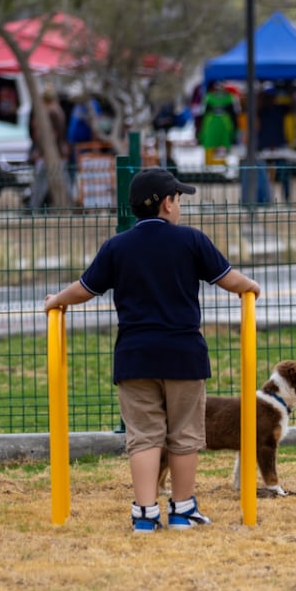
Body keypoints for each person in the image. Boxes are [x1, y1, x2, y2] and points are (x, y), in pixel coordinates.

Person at [43, 168, 262, 533]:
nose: (179, 207)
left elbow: (85, 288)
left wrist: (56, 302)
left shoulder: (117, 246)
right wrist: (251, 286)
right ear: (166, 203)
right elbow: (229, 279)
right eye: (177, 199)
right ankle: (182, 510)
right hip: (184, 354)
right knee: (185, 435)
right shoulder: (192, 241)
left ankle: (144, 514)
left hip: (134, 356)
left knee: (143, 436)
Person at [28, 84, 71, 212]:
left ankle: (33, 208)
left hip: (51, 154)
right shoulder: (58, 110)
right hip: (58, 152)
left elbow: (51, 135)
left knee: (41, 182)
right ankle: (69, 206)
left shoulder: (50, 112)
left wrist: (41, 151)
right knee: (63, 180)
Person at [198, 82, 236, 165]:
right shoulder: (209, 98)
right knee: (214, 143)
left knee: (221, 143)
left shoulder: (210, 97)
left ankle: (221, 161)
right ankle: (216, 162)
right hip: (215, 123)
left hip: (219, 124)